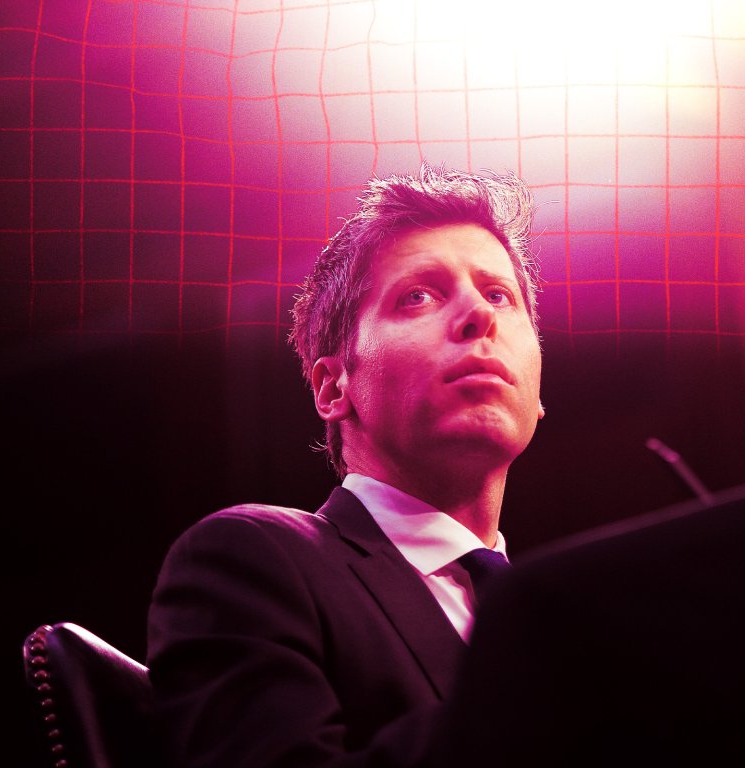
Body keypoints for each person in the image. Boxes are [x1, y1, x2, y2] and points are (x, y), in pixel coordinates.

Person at [146, 164, 546, 767]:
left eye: (499, 295)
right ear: (334, 387)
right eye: (418, 296)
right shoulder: (254, 560)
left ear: (538, 391)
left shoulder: (570, 621)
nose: (479, 315)